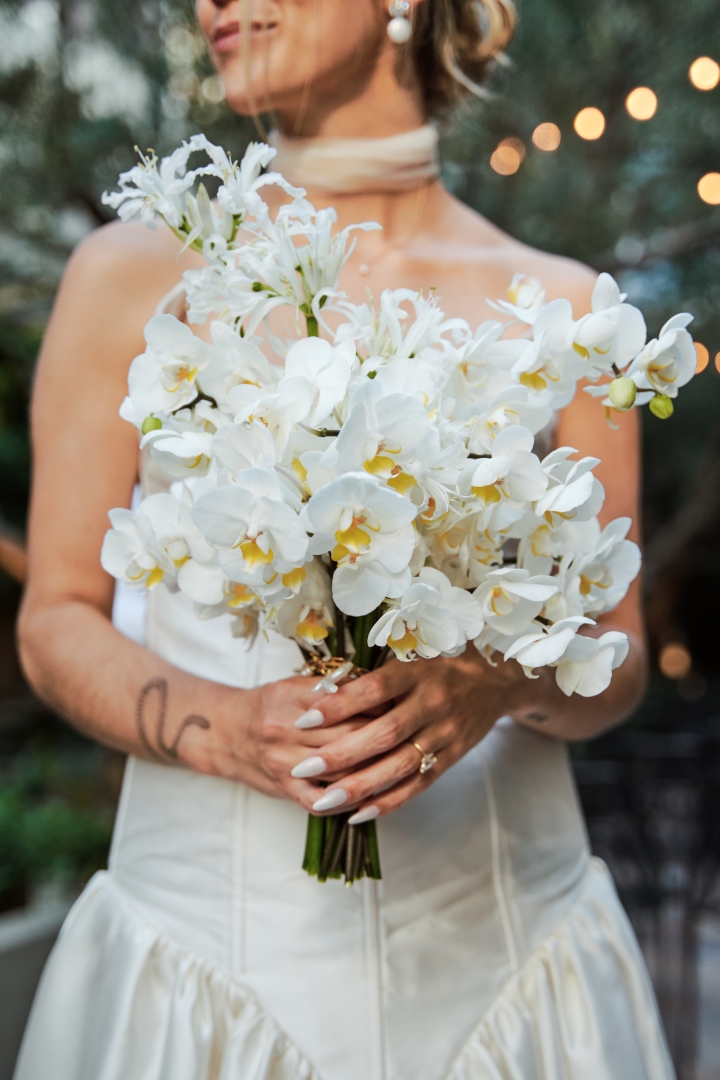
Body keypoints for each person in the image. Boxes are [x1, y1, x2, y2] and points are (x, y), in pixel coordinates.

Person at [14, 1, 674, 1078]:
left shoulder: (564, 314)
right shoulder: (130, 277)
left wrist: (498, 682)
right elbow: (56, 617)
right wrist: (224, 727)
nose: (212, 4)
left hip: (508, 970)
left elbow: (621, 657)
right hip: (205, 967)